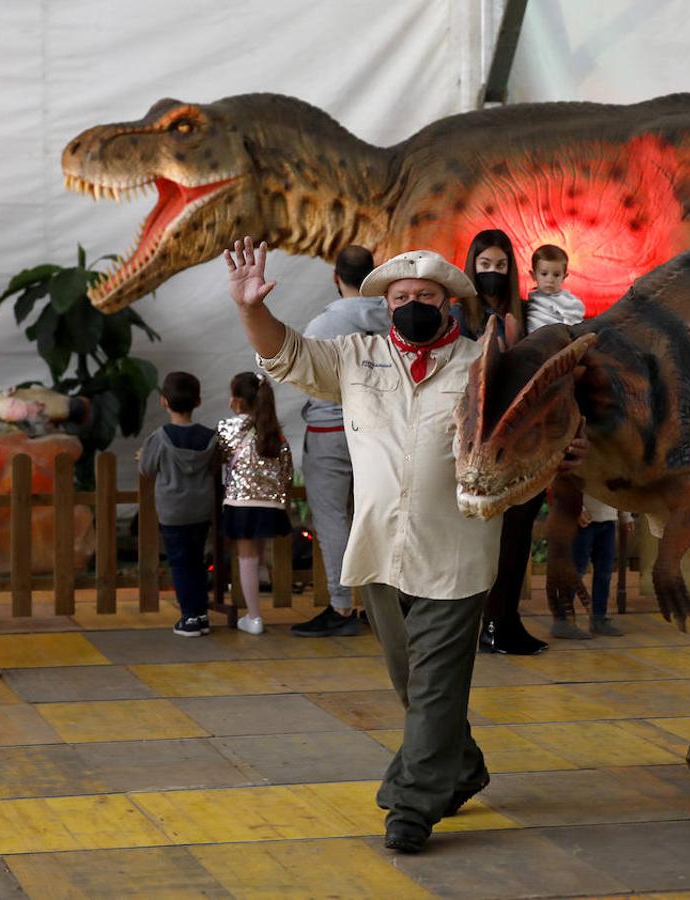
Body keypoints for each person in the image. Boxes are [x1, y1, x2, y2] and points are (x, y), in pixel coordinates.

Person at [227, 238, 586, 854]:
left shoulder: (484, 365)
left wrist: (563, 445)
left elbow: (541, 426)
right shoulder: (353, 357)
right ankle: (463, 765)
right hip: (378, 551)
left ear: (449, 304)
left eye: (425, 297)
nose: (411, 305)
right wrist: (251, 309)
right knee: (413, 685)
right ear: (384, 305)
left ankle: (413, 805)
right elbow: (285, 356)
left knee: (437, 684)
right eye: (400, 297)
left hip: (456, 550)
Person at [457, 229, 548, 655]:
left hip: (522, 437)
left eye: (500, 266)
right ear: (471, 266)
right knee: (481, 537)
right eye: (484, 265)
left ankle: (503, 619)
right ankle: (479, 621)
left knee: (518, 532)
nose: (492, 273)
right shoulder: (459, 315)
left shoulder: (527, 313)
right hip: (477, 438)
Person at [289, 245, 386, 637]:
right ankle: (386, 607)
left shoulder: (321, 327)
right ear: (373, 275)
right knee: (381, 517)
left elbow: (306, 377)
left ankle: (342, 606)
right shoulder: (393, 319)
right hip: (380, 432)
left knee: (332, 520)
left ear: (335, 277)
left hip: (330, 431)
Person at [138, 372, 217, 637]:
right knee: (196, 560)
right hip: (201, 508)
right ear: (198, 401)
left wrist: (142, 456)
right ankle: (202, 613)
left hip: (173, 511)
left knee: (180, 563)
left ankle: (190, 617)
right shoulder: (210, 437)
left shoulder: (160, 437)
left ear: (163, 402)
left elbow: (147, 468)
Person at [218, 371, 294, 635]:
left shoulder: (228, 428)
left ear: (237, 401)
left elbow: (218, 456)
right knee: (258, 554)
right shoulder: (276, 434)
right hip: (271, 505)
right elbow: (287, 472)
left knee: (246, 558)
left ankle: (254, 617)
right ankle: (256, 604)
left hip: (241, 504)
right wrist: (284, 502)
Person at [564, 497, 629, 638]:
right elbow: (567, 482)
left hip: (608, 520)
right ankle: (563, 620)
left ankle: (599, 618)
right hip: (583, 520)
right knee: (577, 569)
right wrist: (576, 509)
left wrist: (626, 516)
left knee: (604, 571)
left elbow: (622, 487)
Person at [525, 244, 587, 330]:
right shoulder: (532, 298)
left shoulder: (567, 301)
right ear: (533, 275)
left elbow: (574, 327)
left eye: (556, 275)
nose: (550, 280)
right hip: (533, 340)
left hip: (558, 338)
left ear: (564, 277)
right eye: (544, 274)